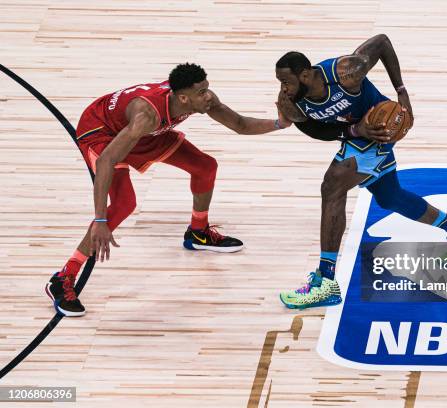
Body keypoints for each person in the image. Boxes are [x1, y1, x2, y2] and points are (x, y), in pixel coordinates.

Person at [45, 63, 291, 317]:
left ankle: (198, 232)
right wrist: (99, 219)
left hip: (141, 133)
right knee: (124, 204)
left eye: (207, 89)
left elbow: (239, 124)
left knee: (205, 167)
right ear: (183, 98)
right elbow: (107, 160)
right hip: (102, 132)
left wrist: (279, 123)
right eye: (202, 92)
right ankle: (64, 276)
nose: (208, 96)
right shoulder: (146, 115)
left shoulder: (197, 100)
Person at [274, 34, 447, 309]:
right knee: (390, 197)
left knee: (332, 186)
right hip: (357, 134)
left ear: (305, 76)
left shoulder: (345, 73)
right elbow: (313, 129)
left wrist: (401, 91)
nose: (283, 89)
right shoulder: (289, 101)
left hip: (381, 127)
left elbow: (384, 42)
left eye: (286, 82)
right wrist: (352, 131)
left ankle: (326, 282)